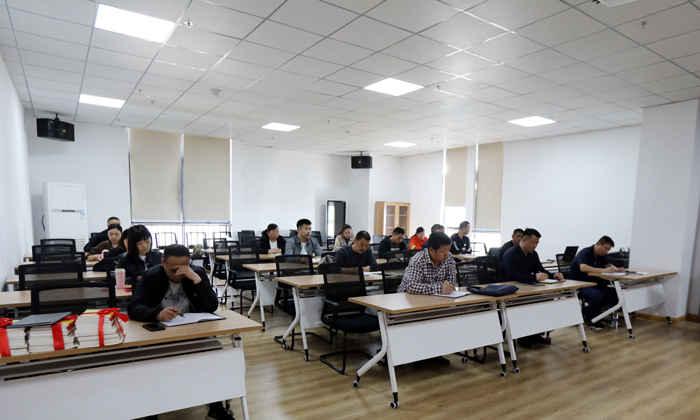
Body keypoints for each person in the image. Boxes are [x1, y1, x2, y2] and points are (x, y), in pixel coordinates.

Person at [128, 244, 234, 420]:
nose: (178, 274)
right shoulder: (151, 276)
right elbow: (134, 308)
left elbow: (211, 306)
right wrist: (156, 314)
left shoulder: (197, 274)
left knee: (216, 351)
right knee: (144, 360)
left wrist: (197, 280)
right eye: (173, 269)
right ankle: (150, 412)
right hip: (160, 334)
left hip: (192, 332)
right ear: (163, 262)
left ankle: (215, 408)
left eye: (184, 268)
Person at [499, 228, 564, 348]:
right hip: (509, 290)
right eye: (533, 243)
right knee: (528, 305)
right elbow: (511, 276)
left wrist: (553, 275)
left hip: (526, 288)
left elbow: (540, 269)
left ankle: (535, 334)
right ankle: (523, 337)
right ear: (524, 241)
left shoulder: (533, 254)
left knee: (547, 300)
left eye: (537, 243)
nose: (535, 246)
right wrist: (534, 277)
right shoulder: (510, 254)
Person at [569, 236, 623, 330]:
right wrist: (604, 270)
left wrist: (618, 269)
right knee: (596, 295)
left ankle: (587, 311)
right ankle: (592, 318)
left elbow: (608, 266)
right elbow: (583, 268)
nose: (606, 251)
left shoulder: (600, 255)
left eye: (608, 250)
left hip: (592, 283)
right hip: (578, 283)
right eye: (606, 248)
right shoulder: (585, 252)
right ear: (598, 244)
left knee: (613, 294)